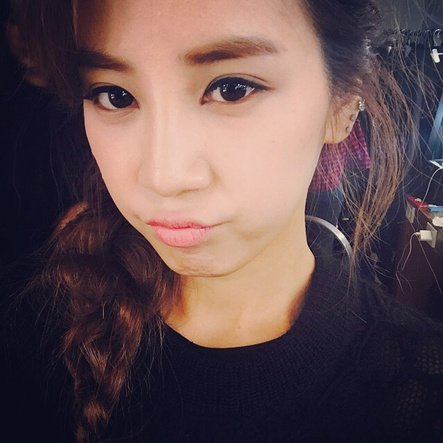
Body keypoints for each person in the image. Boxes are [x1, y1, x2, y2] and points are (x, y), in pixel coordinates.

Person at [2, 1, 443, 442]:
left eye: (232, 89)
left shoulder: (420, 392)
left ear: (343, 104)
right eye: (114, 94)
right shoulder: (37, 327)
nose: (163, 177)